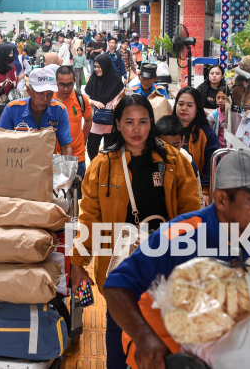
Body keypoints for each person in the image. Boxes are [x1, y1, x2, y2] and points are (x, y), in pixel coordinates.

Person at [103, 148, 250, 369]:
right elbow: (116, 286)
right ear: (221, 199)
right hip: (167, 356)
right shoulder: (179, 235)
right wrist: (144, 338)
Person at [70, 94, 201, 369]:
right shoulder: (101, 166)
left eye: (143, 121)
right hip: (121, 266)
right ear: (117, 124)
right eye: (129, 122)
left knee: (164, 334)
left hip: (165, 264)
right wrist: (78, 263)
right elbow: (89, 219)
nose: (136, 129)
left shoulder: (174, 162)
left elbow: (191, 214)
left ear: (151, 124)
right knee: (119, 330)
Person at [0, 68, 74, 156]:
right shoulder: (13, 109)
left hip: (47, 166)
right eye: (40, 93)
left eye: (49, 94)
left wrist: (68, 168)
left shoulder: (59, 110)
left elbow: (66, 146)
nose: (45, 99)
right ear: (29, 91)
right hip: (18, 165)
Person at [173, 87, 220, 191]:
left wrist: (206, 190)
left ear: (197, 108)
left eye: (189, 105)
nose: (184, 108)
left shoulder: (207, 134)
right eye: (180, 104)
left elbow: (212, 164)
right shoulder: (166, 129)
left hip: (196, 190)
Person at [84, 54, 126, 160]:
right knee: (91, 150)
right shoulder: (92, 81)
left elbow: (123, 96)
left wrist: (117, 101)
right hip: (95, 123)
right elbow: (84, 100)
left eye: (99, 66)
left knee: (110, 153)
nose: (97, 69)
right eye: (95, 66)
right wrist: (94, 102)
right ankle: (95, 170)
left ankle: (106, 172)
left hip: (110, 124)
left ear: (106, 66)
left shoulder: (116, 82)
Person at [55, 66, 92, 182]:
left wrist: (83, 140)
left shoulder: (80, 99)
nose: (65, 89)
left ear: (75, 81)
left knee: (77, 195)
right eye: (62, 85)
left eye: (69, 84)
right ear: (55, 82)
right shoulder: (48, 99)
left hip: (77, 158)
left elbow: (89, 119)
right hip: (53, 157)